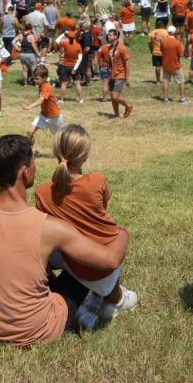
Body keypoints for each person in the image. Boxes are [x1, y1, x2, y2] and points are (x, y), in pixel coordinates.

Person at [0, 134, 130, 346]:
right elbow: (109, 260)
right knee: (79, 266)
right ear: (24, 172)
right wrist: (122, 233)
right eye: (33, 162)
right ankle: (97, 306)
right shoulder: (47, 227)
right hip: (34, 330)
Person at [34, 125, 138, 331]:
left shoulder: (42, 193)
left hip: (73, 264)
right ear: (85, 155)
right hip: (105, 264)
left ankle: (88, 305)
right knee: (127, 297)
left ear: (56, 152)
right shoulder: (96, 181)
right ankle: (113, 299)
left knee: (48, 238)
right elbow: (101, 215)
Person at [25, 64, 63, 146]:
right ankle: (28, 148)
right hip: (43, 115)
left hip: (54, 117)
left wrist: (29, 107)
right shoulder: (41, 85)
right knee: (29, 132)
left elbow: (41, 100)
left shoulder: (46, 87)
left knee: (60, 138)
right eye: (34, 78)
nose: (35, 80)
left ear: (44, 78)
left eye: (37, 79)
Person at [107, 27, 133, 119]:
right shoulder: (109, 48)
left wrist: (127, 78)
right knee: (112, 96)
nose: (108, 36)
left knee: (115, 96)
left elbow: (127, 62)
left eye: (110, 35)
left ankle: (128, 106)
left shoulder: (122, 47)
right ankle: (116, 115)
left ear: (115, 36)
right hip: (112, 75)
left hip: (120, 75)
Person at [159, 25, 188, 103]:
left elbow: (162, 50)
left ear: (168, 33)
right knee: (181, 82)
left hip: (165, 64)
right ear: (175, 33)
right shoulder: (177, 42)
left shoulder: (163, 41)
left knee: (165, 81)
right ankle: (182, 99)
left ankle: (165, 98)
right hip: (176, 65)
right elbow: (181, 54)